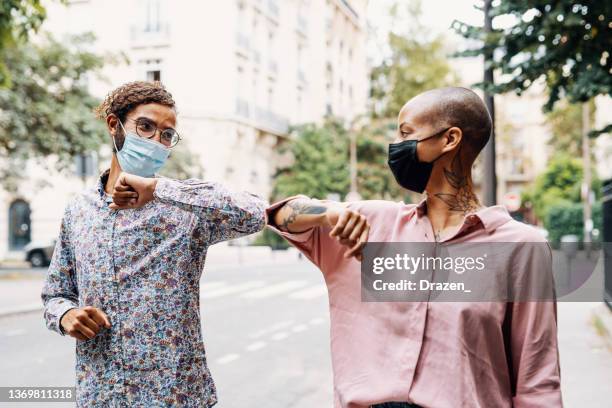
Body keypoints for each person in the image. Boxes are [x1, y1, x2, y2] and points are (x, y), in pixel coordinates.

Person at [266, 87, 562, 408]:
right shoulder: (369, 222)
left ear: (450, 139)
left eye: (407, 133)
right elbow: (278, 215)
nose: (395, 146)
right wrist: (328, 212)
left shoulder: (521, 248)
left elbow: (537, 382)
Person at [41, 81, 268, 407]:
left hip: (174, 396)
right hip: (99, 395)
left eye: (166, 135)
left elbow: (256, 212)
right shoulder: (78, 210)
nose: (155, 141)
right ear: (113, 125)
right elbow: (55, 294)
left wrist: (160, 189)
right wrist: (66, 315)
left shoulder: (184, 208)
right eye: (145, 127)